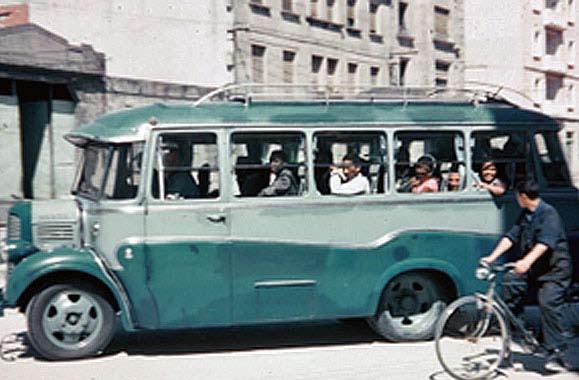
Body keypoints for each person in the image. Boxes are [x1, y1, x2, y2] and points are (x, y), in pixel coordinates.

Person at [481, 180, 572, 372]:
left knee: (547, 302)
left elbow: (545, 244)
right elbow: (511, 237)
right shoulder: (526, 215)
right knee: (510, 284)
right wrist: (491, 257)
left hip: (555, 271)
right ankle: (523, 334)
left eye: (516, 196)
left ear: (522, 196)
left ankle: (556, 353)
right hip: (536, 269)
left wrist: (526, 261)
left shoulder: (549, 214)